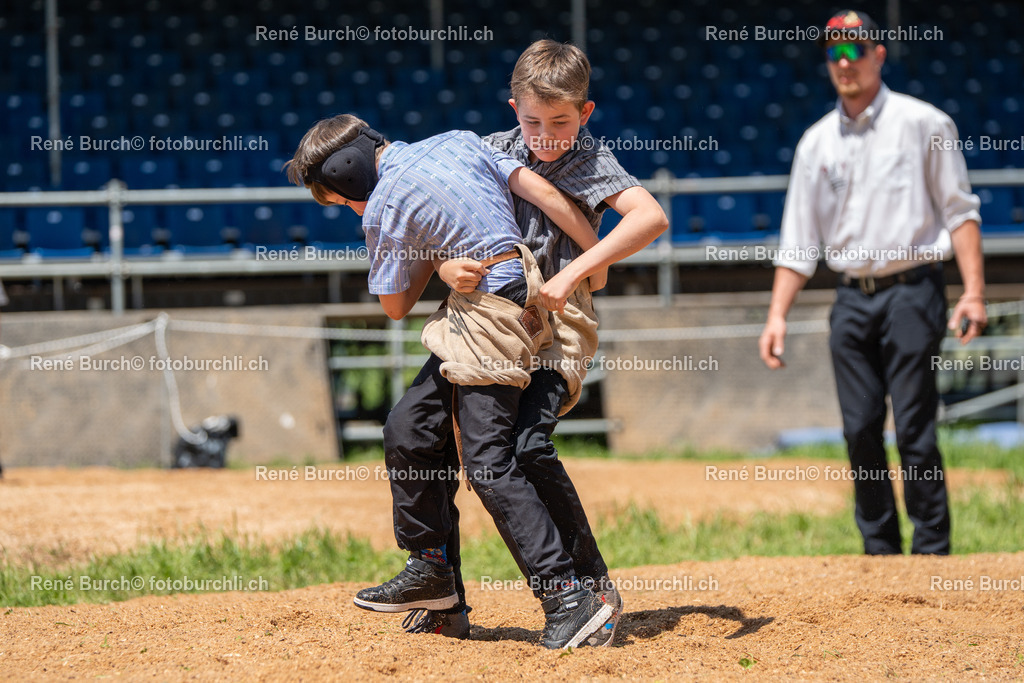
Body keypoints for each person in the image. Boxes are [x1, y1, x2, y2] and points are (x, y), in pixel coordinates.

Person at [286, 114, 616, 649]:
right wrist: (589, 256)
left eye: (343, 200)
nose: (350, 209)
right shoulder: (459, 139)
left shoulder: (385, 203)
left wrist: (433, 259)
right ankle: (437, 581)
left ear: (348, 176)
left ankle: (570, 599)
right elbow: (539, 190)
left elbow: (394, 306)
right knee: (410, 429)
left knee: (488, 460)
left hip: (489, 314)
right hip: (504, 304)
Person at [401, 39, 667, 640]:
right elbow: (440, 216)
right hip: (490, 319)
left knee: (524, 445)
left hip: (559, 324)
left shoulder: (591, 159)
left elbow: (650, 218)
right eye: (532, 121)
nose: (546, 135)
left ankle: (590, 582)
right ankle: (443, 592)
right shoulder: (487, 151)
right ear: (512, 106)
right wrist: (443, 267)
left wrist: (575, 272)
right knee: (437, 437)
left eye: (562, 122)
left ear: (586, 113)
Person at [758, 10, 987, 556]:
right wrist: (776, 315)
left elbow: (960, 213)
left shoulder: (924, 124)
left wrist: (974, 292)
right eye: (834, 52)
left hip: (914, 292)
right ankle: (880, 550)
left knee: (913, 429)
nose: (844, 62)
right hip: (850, 300)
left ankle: (933, 550)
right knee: (859, 429)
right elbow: (798, 241)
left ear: (878, 54)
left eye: (854, 50)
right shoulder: (816, 143)